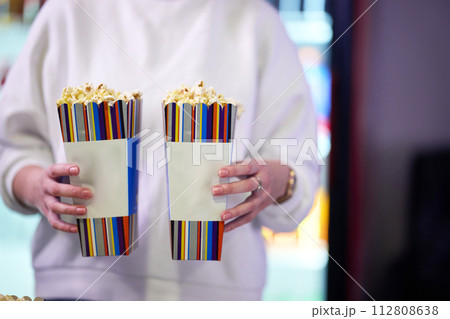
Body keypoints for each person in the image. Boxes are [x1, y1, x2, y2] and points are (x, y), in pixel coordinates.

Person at [0, 0, 318, 300]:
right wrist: (35, 186)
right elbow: (13, 147)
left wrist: (277, 181)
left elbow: (298, 166)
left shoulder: (254, 20)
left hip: (215, 296)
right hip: (77, 289)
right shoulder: (67, 12)